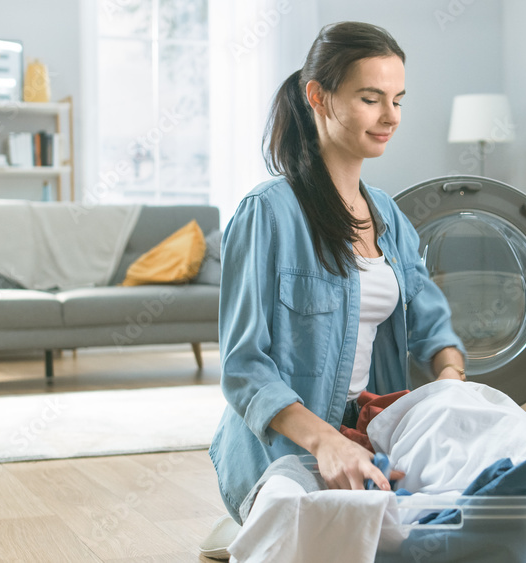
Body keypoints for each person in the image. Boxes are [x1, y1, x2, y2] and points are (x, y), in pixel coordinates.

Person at [200, 21, 466, 559]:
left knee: (472, 505)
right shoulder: (268, 213)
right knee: (310, 533)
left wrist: (451, 385)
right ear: (318, 97)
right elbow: (244, 367)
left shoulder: (388, 215)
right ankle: (252, 517)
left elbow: (434, 326)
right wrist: (328, 443)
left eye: (398, 99)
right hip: (285, 446)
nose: (391, 117)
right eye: (371, 99)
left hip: (372, 433)